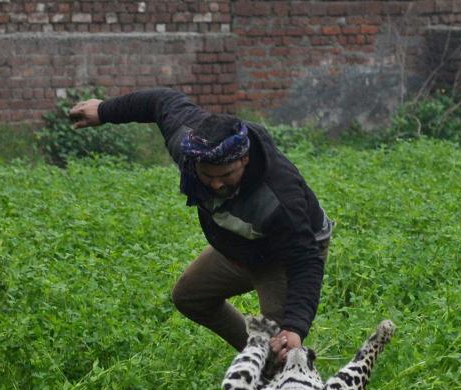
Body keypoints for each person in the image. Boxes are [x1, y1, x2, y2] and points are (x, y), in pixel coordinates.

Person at [69, 88, 333, 364]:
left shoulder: (279, 200)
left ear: (244, 159)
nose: (216, 184)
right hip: (241, 245)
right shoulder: (189, 146)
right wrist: (103, 111)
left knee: (282, 349)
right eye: (207, 176)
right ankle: (258, 357)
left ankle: (287, 381)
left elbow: (305, 261)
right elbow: (161, 101)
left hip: (285, 256)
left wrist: (295, 327)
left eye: (226, 175)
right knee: (190, 296)